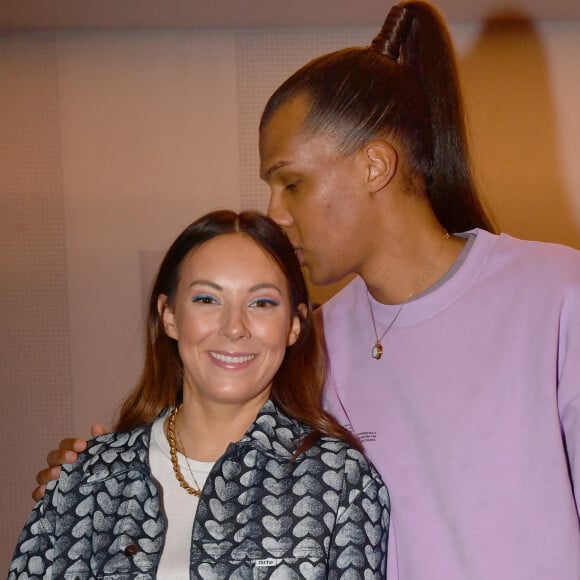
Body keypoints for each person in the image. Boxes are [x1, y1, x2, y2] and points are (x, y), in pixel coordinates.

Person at [32, 1, 580, 578]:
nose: (275, 213)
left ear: (374, 166)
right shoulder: (306, 340)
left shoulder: (554, 293)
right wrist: (95, 484)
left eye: (290, 183)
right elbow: (213, 474)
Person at [10, 210, 390, 579]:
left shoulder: (340, 482)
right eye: (207, 299)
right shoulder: (89, 478)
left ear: (293, 326)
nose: (234, 327)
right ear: (170, 316)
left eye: (262, 303)